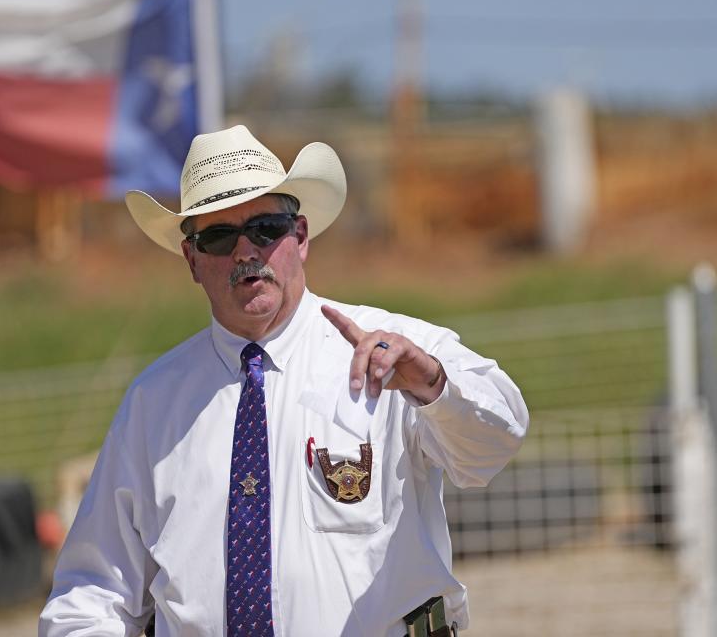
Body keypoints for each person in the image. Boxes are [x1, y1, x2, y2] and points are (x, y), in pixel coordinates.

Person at [40, 125, 529, 637]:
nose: (246, 251)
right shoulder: (153, 403)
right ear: (192, 259)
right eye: (219, 236)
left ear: (300, 238)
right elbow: (92, 593)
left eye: (266, 228)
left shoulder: (394, 352)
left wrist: (432, 385)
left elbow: (495, 443)